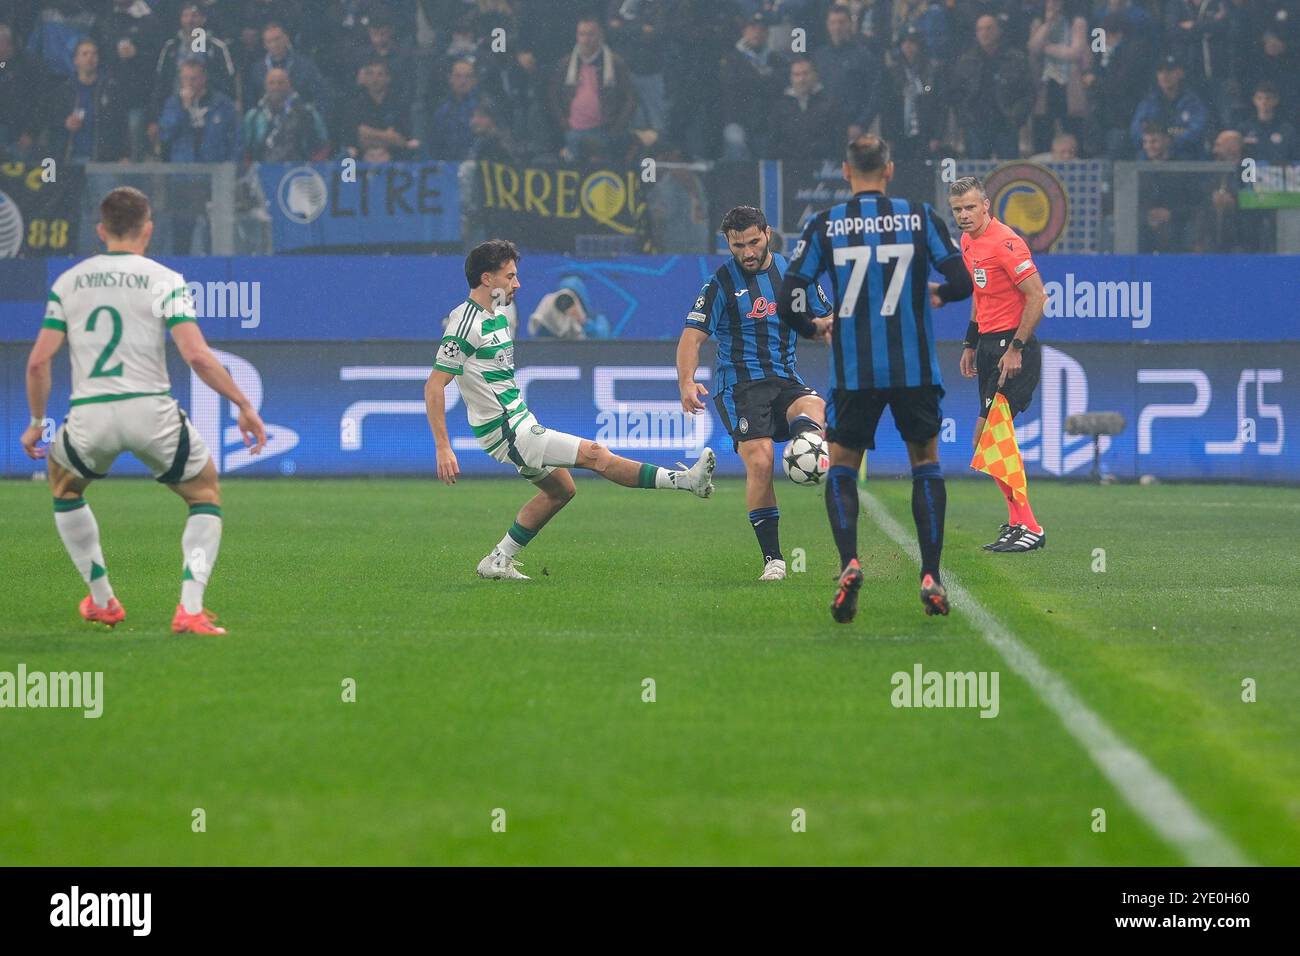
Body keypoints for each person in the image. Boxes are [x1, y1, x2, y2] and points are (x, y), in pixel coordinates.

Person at [19, 187, 267, 635]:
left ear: (101, 230)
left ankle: (102, 600)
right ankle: (189, 609)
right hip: (151, 410)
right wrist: (243, 404)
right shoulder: (165, 280)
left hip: (90, 415)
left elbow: (38, 362)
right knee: (204, 496)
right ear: (147, 230)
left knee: (65, 489)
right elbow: (197, 356)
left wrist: (37, 423)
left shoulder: (68, 282)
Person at [425, 240, 717, 581]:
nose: (517, 284)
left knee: (562, 490)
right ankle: (686, 481)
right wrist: (443, 447)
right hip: (507, 431)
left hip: (520, 421)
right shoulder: (465, 325)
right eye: (510, 276)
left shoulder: (500, 311)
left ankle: (498, 560)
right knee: (595, 454)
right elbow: (433, 386)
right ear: (487, 279)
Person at [777, 136, 973, 622]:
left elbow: (789, 296)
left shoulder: (826, 226)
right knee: (925, 461)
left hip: (854, 369)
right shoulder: (921, 216)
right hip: (914, 368)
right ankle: (930, 574)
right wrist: (939, 294)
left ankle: (849, 563)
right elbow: (964, 282)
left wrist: (812, 326)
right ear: (888, 170)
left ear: (846, 171)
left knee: (841, 465)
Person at [676, 206, 832, 581]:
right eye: (737, 245)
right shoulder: (719, 284)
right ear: (728, 244)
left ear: (767, 233)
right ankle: (774, 560)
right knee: (761, 462)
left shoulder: (794, 275)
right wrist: (685, 381)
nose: (746, 252)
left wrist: (834, 327)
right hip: (739, 387)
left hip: (784, 378)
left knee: (814, 405)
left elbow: (823, 318)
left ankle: (804, 450)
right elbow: (691, 337)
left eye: (753, 242)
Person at [945, 175, 1048, 553]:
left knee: (990, 436)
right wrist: (971, 342)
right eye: (957, 209)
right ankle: (1019, 522)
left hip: (1012, 348)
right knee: (989, 438)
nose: (964, 215)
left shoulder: (1007, 243)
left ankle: (1030, 526)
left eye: (970, 207)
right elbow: (981, 293)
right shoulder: (968, 242)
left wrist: (1017, 348)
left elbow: (1038, 297)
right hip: (989, 346)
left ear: (986, 205)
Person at [950, 14, 1034, 160]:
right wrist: (965, 119)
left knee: (1008, 176)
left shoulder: (1016, 59)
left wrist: (1015, 117)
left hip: (1006, 125)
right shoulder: (966, 61)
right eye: (980, 29)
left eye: (988, 28)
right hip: (975, 126)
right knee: (975, 177)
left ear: (999, 31)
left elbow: (1028, 93)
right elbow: (956, 94)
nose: (984, 33)